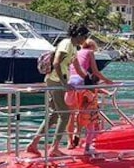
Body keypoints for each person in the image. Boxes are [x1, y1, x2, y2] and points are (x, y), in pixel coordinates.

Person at [27, 23, 90, 155]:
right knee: (65, 114)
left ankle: (33, 143)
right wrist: (63, 83)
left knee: (55, 115)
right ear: (78, 35)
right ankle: (54, 148)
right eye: (85, 36)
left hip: (56, 82)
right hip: (56, 82)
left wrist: (89, 78)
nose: (86, 39)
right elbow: (56, 62)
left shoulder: (73, 47)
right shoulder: (66, 44)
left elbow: (78, 68)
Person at [66, 38, 114, 148]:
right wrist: (107, 81)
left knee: (71, 114)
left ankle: (70, 141)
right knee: (86, 110)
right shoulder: (90, 52)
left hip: (71, 83)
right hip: (81, 82)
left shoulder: (76, 52)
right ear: (92, 46)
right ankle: (85, 141)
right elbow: (95, 71)